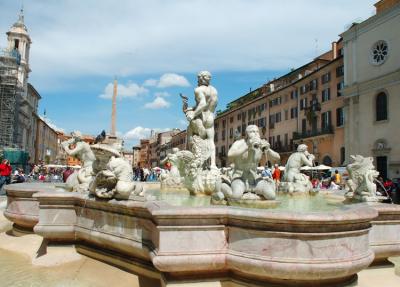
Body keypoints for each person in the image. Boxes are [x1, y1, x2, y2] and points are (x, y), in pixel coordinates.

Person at [185, 71, 218, 169]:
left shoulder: (198, 90)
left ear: (200, 78)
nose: (197, 80)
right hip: (211, 117)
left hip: (202, 117)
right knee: (211, 141)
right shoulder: (214, 90)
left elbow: (202, 104)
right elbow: (207, 104)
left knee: (190, 131)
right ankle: (213, 165)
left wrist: (193, 114)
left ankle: (194, 160)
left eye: (198, 78)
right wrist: (192, 107)